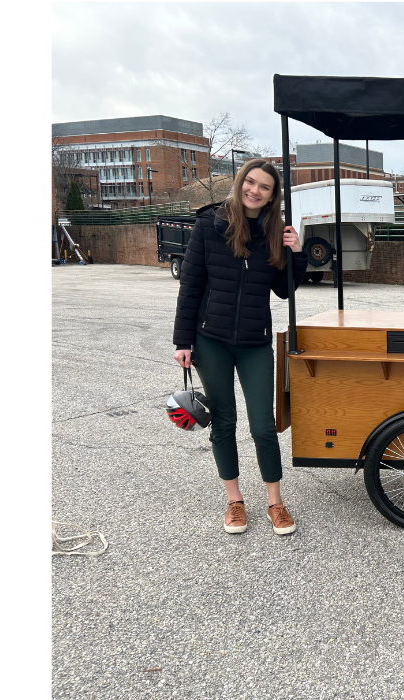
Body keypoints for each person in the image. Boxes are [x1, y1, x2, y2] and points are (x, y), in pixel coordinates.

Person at [172, 159, 310, 536]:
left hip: (254, 342)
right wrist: (182, 340)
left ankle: (275, 502)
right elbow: (191, 286)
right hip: (209, 340)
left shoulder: (274, 231)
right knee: (225, 422)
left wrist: (297, 253)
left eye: (264, 186)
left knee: (264, 425)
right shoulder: (209, 224)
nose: (255, 190)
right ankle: (234, 501)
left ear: (272, 195)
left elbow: (284, 290)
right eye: (250, 182)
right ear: (240, 182)